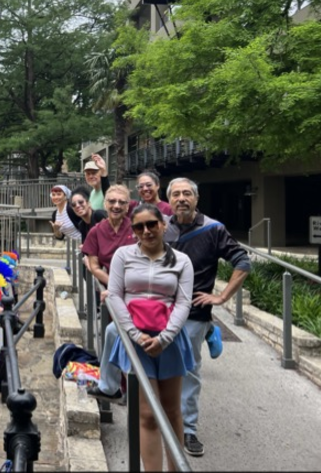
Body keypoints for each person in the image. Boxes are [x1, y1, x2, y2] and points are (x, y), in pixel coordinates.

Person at [165, 178, 252, 458]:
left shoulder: (213, 229)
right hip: (159, 313)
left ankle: (188, 429)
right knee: (158, 366)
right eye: (176, 194)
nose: (181, 198)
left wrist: (222, 297)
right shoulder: (159, 226)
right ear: (169, 199)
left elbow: (242, 261)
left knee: (188, 371)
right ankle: (162, 419)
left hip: (194, 314)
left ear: (196, 199)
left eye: (187, 194)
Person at [106, 204, 195, 472]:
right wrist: (134, 334)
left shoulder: (181, 260)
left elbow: (183, 302)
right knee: (147, 413)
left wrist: (165, 338)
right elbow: (114, 295)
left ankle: (176, 468)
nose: (146, 231)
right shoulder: (123, 256)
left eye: (152, 224)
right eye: (139, 227)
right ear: (133, 231)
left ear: (163, 225)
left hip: (169, 338)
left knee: (171, 409)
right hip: (136, 339)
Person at [83, 186, 139, 401]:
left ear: (128, 205)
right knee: (114, 332)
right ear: (104, 203)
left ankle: (120, 387)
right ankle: (118, 386)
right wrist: (116, 286)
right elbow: (94, 265)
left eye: (122, 202)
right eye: (112, 201)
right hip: (115, 290)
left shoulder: (137, 227)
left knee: (118, 333)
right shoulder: (96, 231)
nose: (116, 206)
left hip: (140, 289)